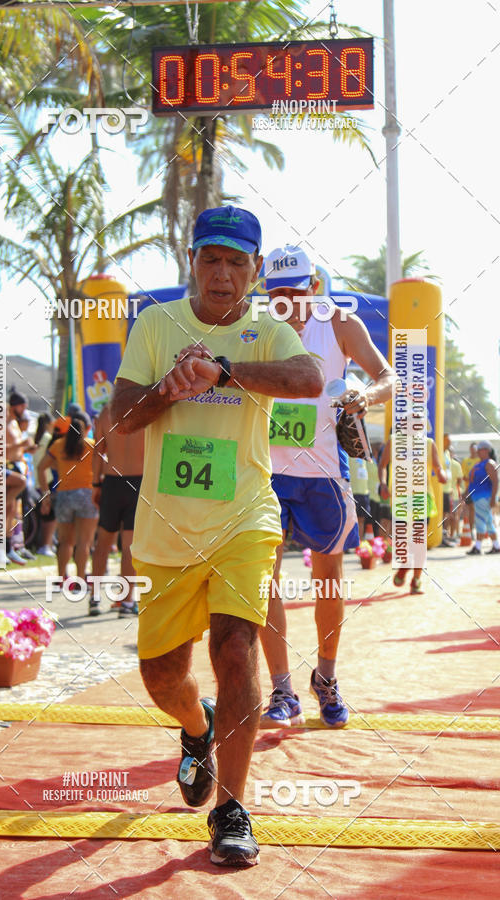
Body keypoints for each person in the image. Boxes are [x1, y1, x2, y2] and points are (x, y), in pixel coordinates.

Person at [110, 207, 323, 867]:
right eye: (211, 259)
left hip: (245, 519)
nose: (223, 274)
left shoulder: (267, 330)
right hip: (167, 529)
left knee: (236, 648)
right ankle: (195, 726)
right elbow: (120, 418)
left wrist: (225, 371)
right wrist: (169, 390)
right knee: (160, 676)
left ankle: (232, 808)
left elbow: (309, 382)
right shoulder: (155, 323)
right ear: (192, 261)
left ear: (255, 270)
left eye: (237, 262)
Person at [258, 246, 395, 731]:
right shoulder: (256, 326)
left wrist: (365, 395)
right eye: (276, 295)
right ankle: (280, 689)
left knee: (329, 581)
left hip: (322, 474)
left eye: (295, 292)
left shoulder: (339, 323)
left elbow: (387, 376)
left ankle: (327, 679)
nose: (286, 304)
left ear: (314, 286)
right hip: (265, 473)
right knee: (263, 582)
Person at [91, 404, 144, 618]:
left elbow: (98, 450)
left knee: (103, 542)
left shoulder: (107, 410)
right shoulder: (147, 408)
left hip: (111, 481)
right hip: (138, 481)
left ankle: (94, 599)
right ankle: (127, 601)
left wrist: (95, 484)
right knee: (129, 545)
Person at [379, 434, 447, 592]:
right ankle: (405, 562)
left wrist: (442, 474)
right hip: (400, 497)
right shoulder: (394, 441)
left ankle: (416, 580)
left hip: (422, 498)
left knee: (419, 540)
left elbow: (438, 467)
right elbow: (382, 465)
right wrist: (382, 484)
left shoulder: (429, 444)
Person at [38, 411, 98, 586]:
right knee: (83, 542)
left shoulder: (58, 445)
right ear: (85, 430)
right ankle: (80, 578)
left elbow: (42, 467)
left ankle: (61, 576)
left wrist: (45, 493)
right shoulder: (92, 445)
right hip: (87, 495)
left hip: (64, 495)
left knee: (65, 541)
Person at [5, 391, 33, 565]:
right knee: (6, 506)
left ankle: (7, 549)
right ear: (13, 405)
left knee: (11, 510)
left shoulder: (14, 423)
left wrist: (26, 449)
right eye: (22, 406)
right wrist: (20, 444)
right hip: (4, 466)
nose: (24, 410)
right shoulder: (2, 422)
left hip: (15, 464)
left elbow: (14, 448)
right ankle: (1, 548)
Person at [466, 440, 499, 555]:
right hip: (477, 497)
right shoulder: (479, 464)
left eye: (480, 449)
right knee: (488, 521)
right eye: (478, 449)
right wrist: (466, 493)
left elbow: (495, 481)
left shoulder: (489, 463)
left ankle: (478, 547)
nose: (478, 451)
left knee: (480, 521)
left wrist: (493, 498)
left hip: (484, 497)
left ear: (487, 450)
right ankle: (496, 546)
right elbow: (472, 482)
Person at [32, 413, 56, 557]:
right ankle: (46, 545)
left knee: (44, 513)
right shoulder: (47, 438)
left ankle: (46, 544)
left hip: (37, 479)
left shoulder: (38, 437)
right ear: (48, 423)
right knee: (50, 515)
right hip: (47, 478)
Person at [348, 456, 371, 541]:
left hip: (364, 492)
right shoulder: (348, 453)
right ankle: (350, 544)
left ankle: (359, 543)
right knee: (351, 520)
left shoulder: (365, 455)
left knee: (361, 519)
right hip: (352, 491)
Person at [461, 442, 479, 539]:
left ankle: (477, 530)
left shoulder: (479, 460)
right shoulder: (465, 461)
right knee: (469, 509)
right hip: (468, 489)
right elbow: (463, 476)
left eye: (475, 449)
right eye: (472, 449)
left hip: (478, 489)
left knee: (476, 509)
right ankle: (470, 530)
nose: (473, 451)